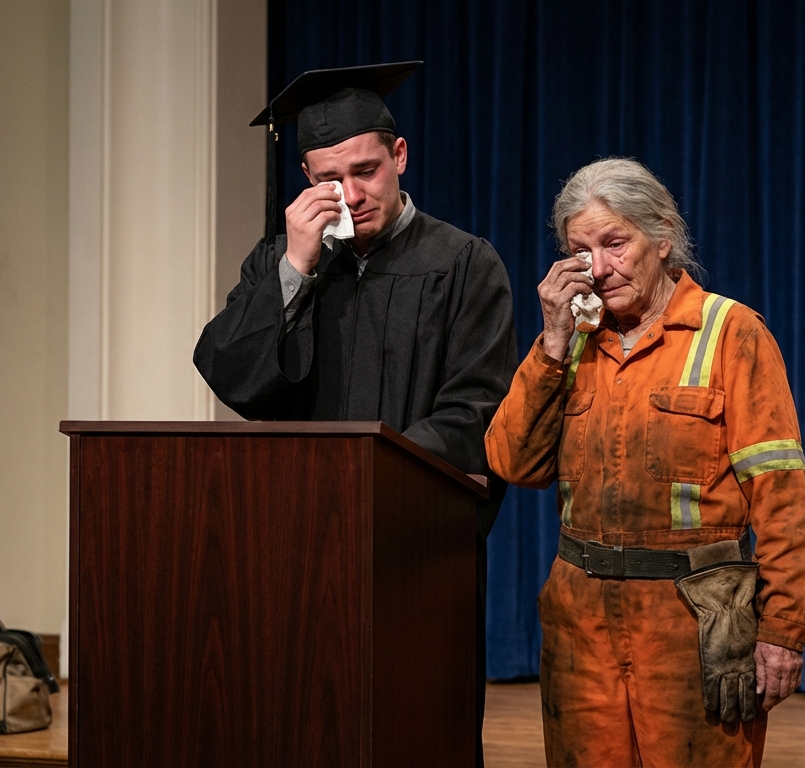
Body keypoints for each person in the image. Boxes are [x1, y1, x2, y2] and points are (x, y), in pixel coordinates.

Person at [193, 64, 518, 756]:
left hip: (414, 549)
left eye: (366, 170)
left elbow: (477, 413)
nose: (350, 194)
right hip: (300, 549)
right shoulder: (282, 261)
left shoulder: (465, 263)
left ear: (399, 156)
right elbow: (234, 376)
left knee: (414, 728)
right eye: (326, 180)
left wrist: (359, 484)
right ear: (306, 177)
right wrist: (296, 271)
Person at [484, 158, 805, 767]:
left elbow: (781, 497)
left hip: (693, 622)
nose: (600, 268)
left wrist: (781, 633)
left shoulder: (731, 333)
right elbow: (511, 462)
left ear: (662, 238)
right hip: (581, 627)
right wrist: (551, 343)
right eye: (582, 251)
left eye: (615, 243)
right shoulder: (574, 342)